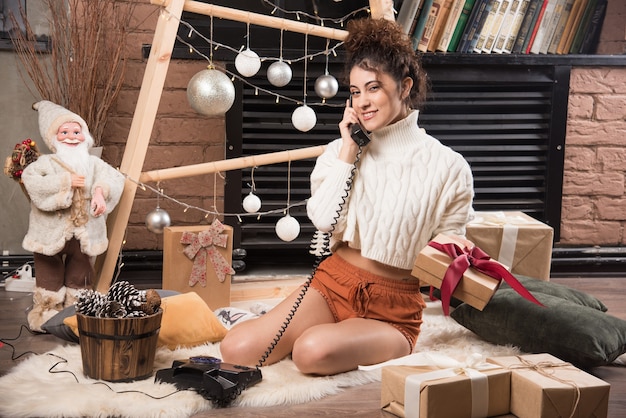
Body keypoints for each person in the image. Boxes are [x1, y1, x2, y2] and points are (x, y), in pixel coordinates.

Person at [220, 18, 474, 375]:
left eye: (373, 88)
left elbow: (450, 252)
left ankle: (341, 339)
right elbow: (324, 220)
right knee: (236, 348)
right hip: (333, 282)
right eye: (355, 92)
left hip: (393, 306)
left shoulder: (449, 166)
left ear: (404, 87)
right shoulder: (342, 150)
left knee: (311, 352)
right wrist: (349, 153)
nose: (363, 101)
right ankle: (327, 334)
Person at [20, 100, 125, 332]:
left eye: (76, 131)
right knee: (49, 269)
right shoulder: (45, 163)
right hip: (51, 232)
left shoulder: (93, 163)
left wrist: (99, 192)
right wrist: (65, 182)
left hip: (83, 232)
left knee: (82, 272)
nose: (71, 137)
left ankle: (78, 312)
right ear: (53, 137)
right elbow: (32, 181)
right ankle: (46, 313)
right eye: (64, 132)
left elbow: (114, 178)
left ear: (84, 135)